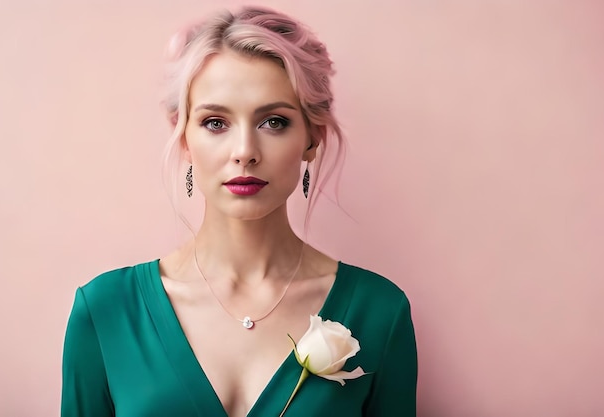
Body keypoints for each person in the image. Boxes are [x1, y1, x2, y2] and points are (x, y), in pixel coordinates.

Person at [61, 6, 417, 417]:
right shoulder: (106, 311)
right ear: (184, 138)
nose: (244, 152)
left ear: (312, 138)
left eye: (274, 122)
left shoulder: (380, 313)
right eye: (215, 122)